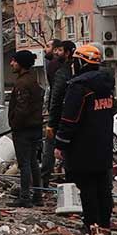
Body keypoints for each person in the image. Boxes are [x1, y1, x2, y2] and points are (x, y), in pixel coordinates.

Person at [54, 44, 117, 233]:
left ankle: (92, 224)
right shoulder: (106, 86)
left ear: (80, 62)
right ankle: (105, 222)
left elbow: (69, 119)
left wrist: (60, 143)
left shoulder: (79, 87)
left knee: (87, 188)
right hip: (103, 145)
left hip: (82, 148)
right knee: (103, 187)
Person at [5, 50, 44, 207]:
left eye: (14, 61)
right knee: (33, 162)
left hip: (24, 129)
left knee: (24, 163)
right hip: (35, 126)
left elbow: (22, 107)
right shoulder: (32, 79)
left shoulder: (22, 83)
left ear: (20, 64)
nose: (11, 64)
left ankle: (25, 197)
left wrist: (14, 123)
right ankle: (38, 195)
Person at [42, 40, 74, 182]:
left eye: (59, 50)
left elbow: (56, 96)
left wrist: (51, 121)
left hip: (60, 117)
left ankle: (45, 179)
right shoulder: (72, 69)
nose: (56, 52)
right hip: (69, 116)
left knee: (50, 147)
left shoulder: (59, 69)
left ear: (66, 53)